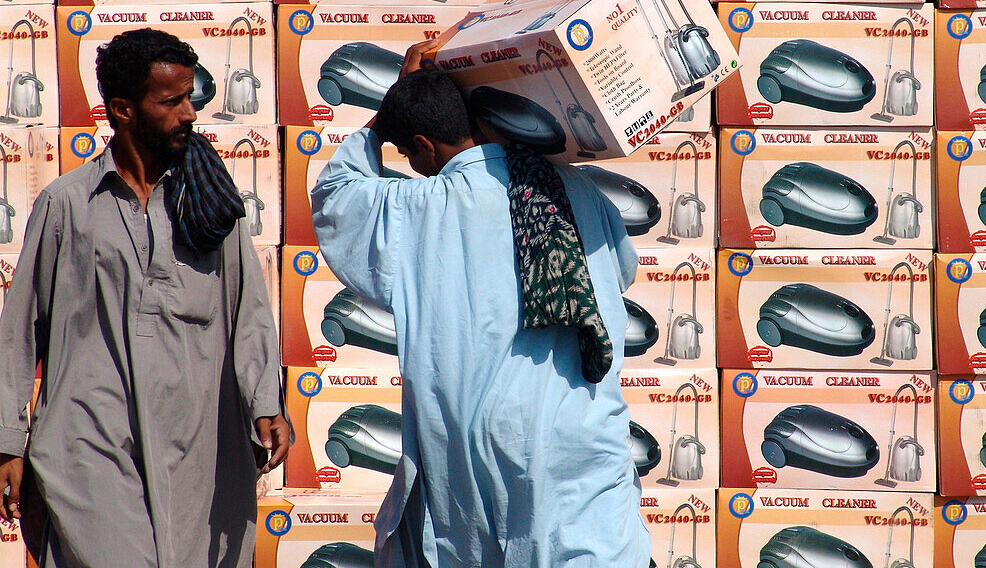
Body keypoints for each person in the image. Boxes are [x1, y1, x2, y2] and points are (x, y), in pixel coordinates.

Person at [310, 40, 651, 567]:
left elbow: (336, 194)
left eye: (410, 153)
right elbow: (622, 269)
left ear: (423, 145)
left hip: (481, 455)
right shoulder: (574, 188)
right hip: (581, 442)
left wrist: (388, 114)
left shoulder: (415, 210)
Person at [0, 28, 290, 567]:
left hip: (197, 438)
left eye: (190, 99)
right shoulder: (68, 204)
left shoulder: (210, 205)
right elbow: (18, 332)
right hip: (90, 438)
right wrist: (7, 441)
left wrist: (266, 401)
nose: (189, 115)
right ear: (123, 110)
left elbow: (248, 310)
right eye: (172, 101)